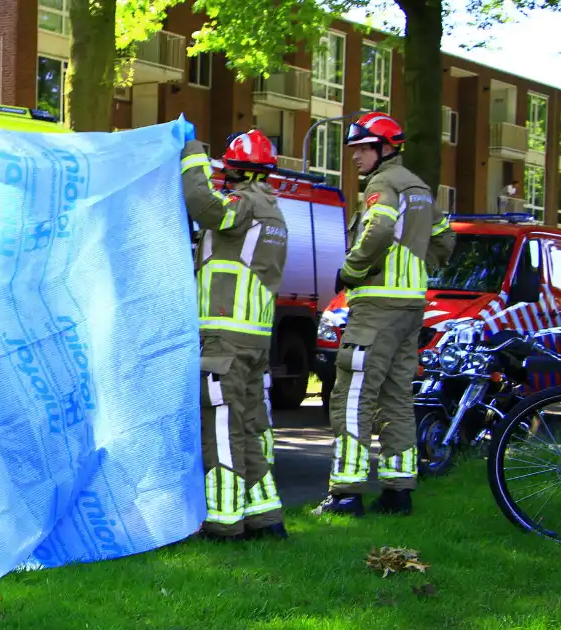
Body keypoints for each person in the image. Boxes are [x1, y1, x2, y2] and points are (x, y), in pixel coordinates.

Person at [313, 112, 455, 517]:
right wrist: (418, 266)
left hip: (377, 307)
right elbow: (445, 237)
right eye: (353, 149)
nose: (354, 157)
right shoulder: (421, 188)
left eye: (361, 148)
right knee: (396, 397)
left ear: (384, 148)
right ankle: (398, 492)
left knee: (352, 395)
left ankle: (346, 493)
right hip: (412, 307)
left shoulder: (383, 183)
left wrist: (351, 271)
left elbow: (376, 230)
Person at [180, 126, 289, 541]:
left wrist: (191, 153)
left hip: (225, 335)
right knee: (246, 428)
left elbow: (203, 204)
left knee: (220, 427)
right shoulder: (273, 210)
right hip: (254, 336)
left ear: (237, 171)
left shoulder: (243, 204)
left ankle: (224, 523)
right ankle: (266, 517)